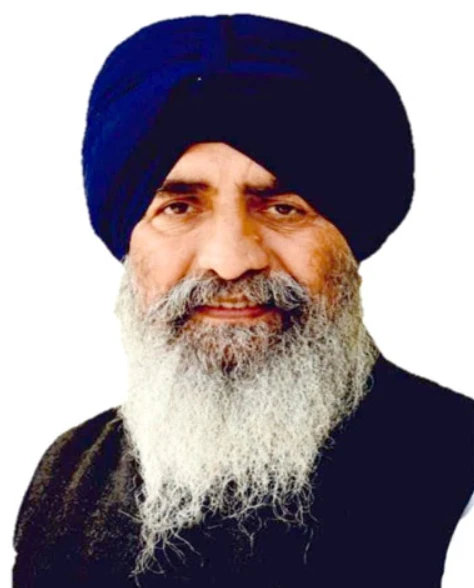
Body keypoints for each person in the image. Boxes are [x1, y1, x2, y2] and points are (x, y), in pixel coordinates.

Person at [12, 13, 474, 588]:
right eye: (178, 207)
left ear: (349, 244)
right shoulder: (66, 474)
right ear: (130, 244)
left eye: (283, 209)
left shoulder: (460, 469)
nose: (231, 260)